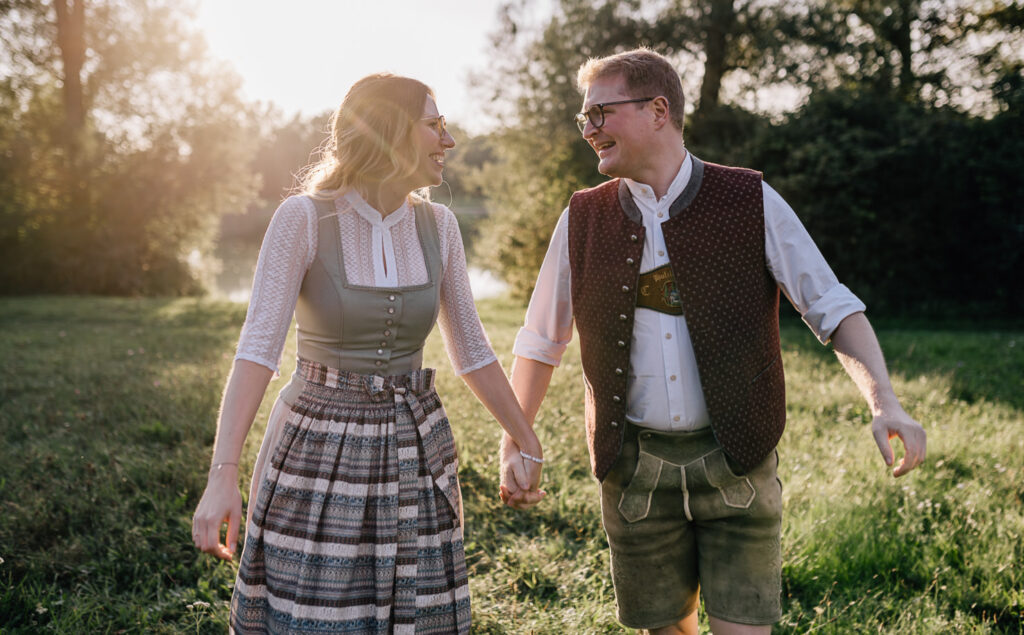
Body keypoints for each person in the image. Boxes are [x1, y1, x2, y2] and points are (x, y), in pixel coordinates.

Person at [499, 49, 926, 634]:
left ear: (657, 110)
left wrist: (885, 402)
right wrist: (517, 438)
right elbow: (542, 339)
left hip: (738, 465)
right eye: (584, 118)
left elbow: (830, 305)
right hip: (634, 472)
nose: (589, 129)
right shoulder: (581, 217)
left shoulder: (749, 199)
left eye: (601, 113)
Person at [191, 73, 543, 634]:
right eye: (434, 125)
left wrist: (526, 440)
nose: (447, 141)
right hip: (316, 447)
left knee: (415, 614)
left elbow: (471, 348)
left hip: (415, 447)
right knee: (316, 614)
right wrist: (222, 475)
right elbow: (258, 349)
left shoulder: (440, 225)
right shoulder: (303, 218)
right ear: (389, 132)